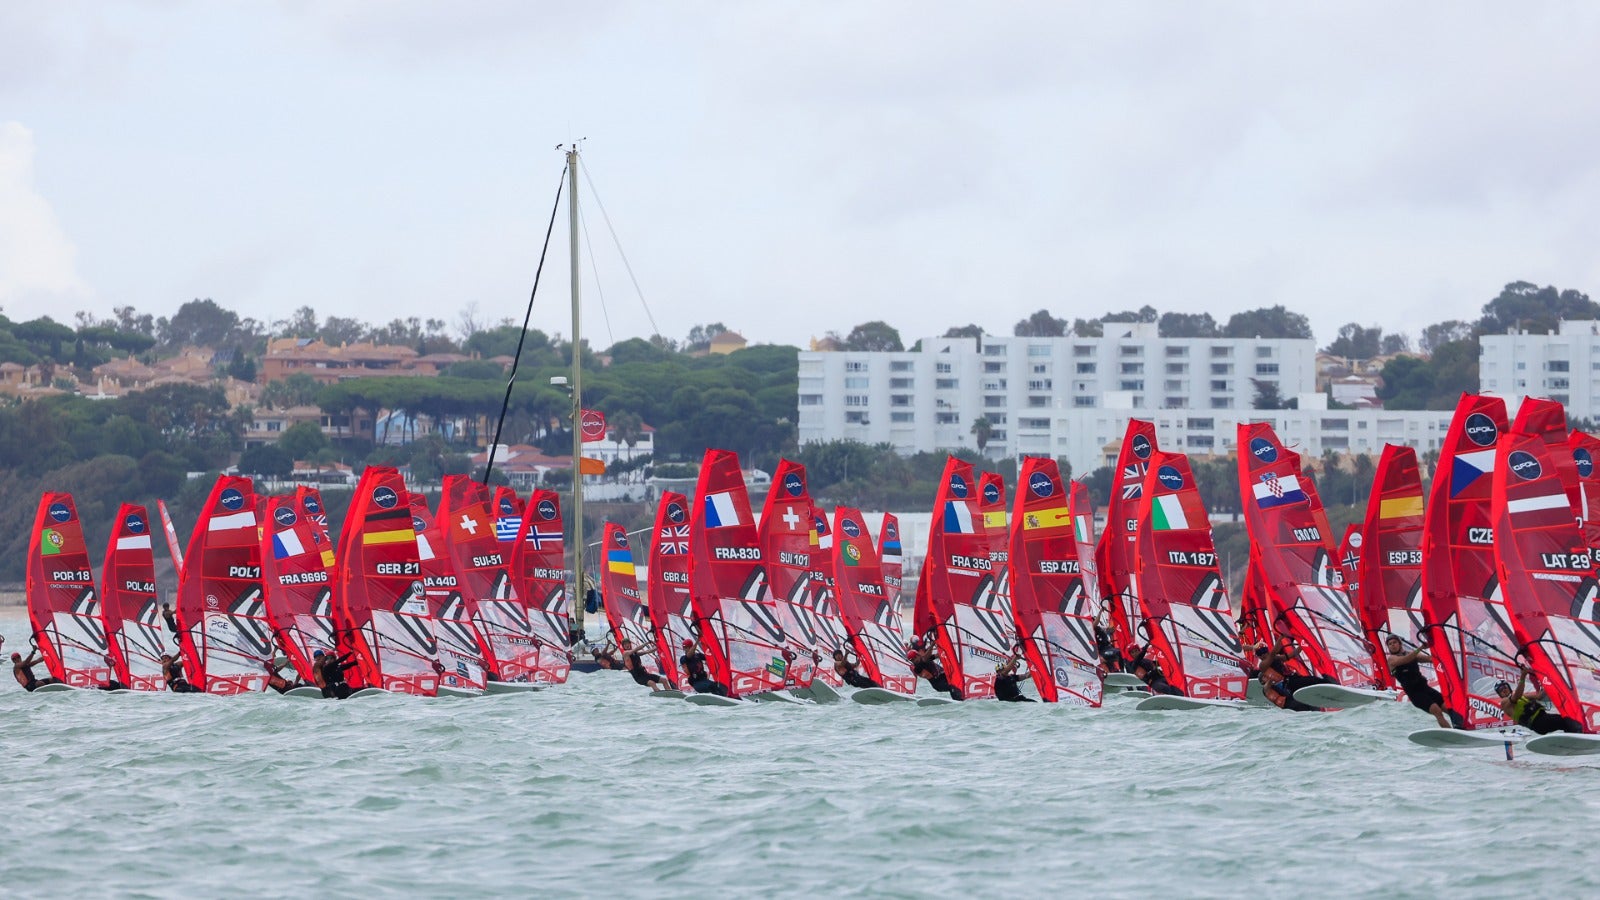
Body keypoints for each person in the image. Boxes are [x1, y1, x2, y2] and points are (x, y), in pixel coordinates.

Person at [1384, 635, 1452, 729]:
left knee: (1449, 708)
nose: (1392, 645)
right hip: (1415, 694)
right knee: (1437, 710)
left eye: (1394, 642)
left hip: (1425, 688)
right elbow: (1405, 660)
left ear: (1400, 644)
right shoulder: (1391, 659)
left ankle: (1462, 727)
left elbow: (1429, 659)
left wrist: (1441, 653)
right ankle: (1450, 732)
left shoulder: (1410, 654)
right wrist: (1420, 648)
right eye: (1390, 644)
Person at [1497, 666, 1584, 734]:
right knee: (1566, 721)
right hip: (1538, 723)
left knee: (1566, 722)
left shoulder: (1522, 696)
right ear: (1499, 694)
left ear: (1509, 688)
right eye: (1501, 690)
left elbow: (1539, 696)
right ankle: (1581, 732)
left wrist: (1548, 680)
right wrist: (1523, 676)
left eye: (1505, 687)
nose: (1503, 690)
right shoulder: (1504, 703)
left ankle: (1575, 735)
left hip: (1544, 719)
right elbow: (1516, 696)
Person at [1253, 641, 1321, 711]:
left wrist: (1302, 646)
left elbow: (1291, 655)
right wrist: (1281, 638)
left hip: (1291, 691)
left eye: (1264, 651)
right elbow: (1273, 653)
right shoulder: (1266, 688)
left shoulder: (1275, 659)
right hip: (1288, 703)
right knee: (1303, 701)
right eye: (1260, 653)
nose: (1263, 654)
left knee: (1311, 683)